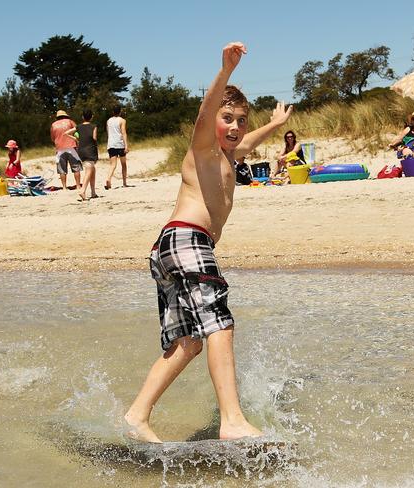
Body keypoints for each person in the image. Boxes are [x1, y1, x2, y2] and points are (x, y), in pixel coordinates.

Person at [124, 42, 293, 443]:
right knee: (220, 324)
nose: (234, 127)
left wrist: (275, 122)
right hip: (188, 240)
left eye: (241, 120)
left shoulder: (229, 155)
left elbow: (248, 142)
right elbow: (205, 114)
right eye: (228, 119)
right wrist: (225, 73)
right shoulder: (202, 149)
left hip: (169, 248)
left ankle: (135, 416)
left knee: (188, 343)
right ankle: (232, 420)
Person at [51, 110, 83, 190]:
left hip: (59, 148)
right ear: (65, 115)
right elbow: (77, 131)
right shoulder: (70, 122)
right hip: (72, 147)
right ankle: (78, 185)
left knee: (62, 169)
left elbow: (52, 138)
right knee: (76, 167)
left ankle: (64, 187)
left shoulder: (53, 125)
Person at [76, 109, 99, 200]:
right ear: (92, 117)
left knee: (92, 169)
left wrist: (76, 139)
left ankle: (93, 192)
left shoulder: (78, 126)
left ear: (82, 117)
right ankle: (83, 190)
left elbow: (67, 133)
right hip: (90, 149)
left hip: (81, 150)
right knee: (89, 170)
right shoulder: (94, 126)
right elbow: (94, 138)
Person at [105, 105, 129, 189]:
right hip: (120, 144)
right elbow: (123, 133)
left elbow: (108, 133)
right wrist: (126, 145)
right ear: (120, 111)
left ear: (113, 111)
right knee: (123, 164)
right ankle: (124, 183)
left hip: (111, 144)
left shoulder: (108, 121)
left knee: (113, 165)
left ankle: (108, 178)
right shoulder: (122, 120)